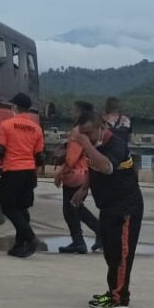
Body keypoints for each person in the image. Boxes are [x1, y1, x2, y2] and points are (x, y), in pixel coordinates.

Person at [71, 114, 144, 308]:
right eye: (83, 134)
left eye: (90, 133)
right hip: (107, 205)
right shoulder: (95, 147)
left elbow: (106, 167)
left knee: (121, 254)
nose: (87, 137)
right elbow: (92, 167)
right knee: (110, 252)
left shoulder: (116, 144)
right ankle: (112, 291)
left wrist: (86, 144)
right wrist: (84, 188)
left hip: (126, 206)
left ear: (102, 127)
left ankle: (120, 298)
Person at [0, 92, 45, 258]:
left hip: (13, 170)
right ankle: (19, 244)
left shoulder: (6, 125)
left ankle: (30, 239)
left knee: (8, 206)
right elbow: (39, 157)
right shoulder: (36, 129)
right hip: (29, 172)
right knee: (22, 208)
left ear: (15, 107)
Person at [52, 107, 101, 253]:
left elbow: (72, 158)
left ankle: (79, 241)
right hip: (85, 173)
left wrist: (60, 173)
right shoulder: (90, 133)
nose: (70, 112)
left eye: (73, 110)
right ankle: (99, 233)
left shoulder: (77, 133)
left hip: (75, 175)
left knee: (70, 210)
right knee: (77, 208)